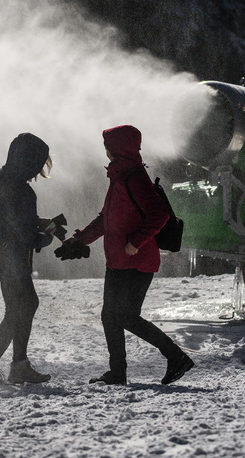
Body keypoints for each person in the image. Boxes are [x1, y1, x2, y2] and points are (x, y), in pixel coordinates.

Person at [56, 125, 194, 386]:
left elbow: (160, 214)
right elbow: (105, 219)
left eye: (108, 145)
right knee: (110, 315)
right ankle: (117, 373)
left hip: (138, 262)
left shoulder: (135, 177)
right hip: (118, 261)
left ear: (118, 148)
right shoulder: (119, 176)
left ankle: (176, 357)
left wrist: (136, 241)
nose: (105, 150)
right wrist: (79, 240)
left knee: (126, 316)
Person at [0, 132, 57, 386]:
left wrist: (37, 224)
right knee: (19, 310)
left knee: (23, 307)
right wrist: (45, 237)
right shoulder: (19, 188)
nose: (37, 171)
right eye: (37, 163)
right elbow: (19, 229)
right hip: (13, 258)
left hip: (4, 256)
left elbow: (7, 219)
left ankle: (16, 365)